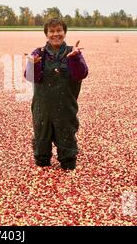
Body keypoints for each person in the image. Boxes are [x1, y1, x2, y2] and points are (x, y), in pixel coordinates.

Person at [25, 19, 89, 170]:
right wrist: (32, 64)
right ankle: (42, 162)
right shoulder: (38, 53)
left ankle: (67, 163)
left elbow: (81, 74)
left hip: (66, 107)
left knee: (67, 144)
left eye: (59, 31)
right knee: (41, 143)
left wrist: (75, 58)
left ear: (64, 32)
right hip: (42, 108)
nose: (56, 34)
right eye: (52, 31)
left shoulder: (73, 52)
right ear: (46, 34)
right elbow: (30, 77)